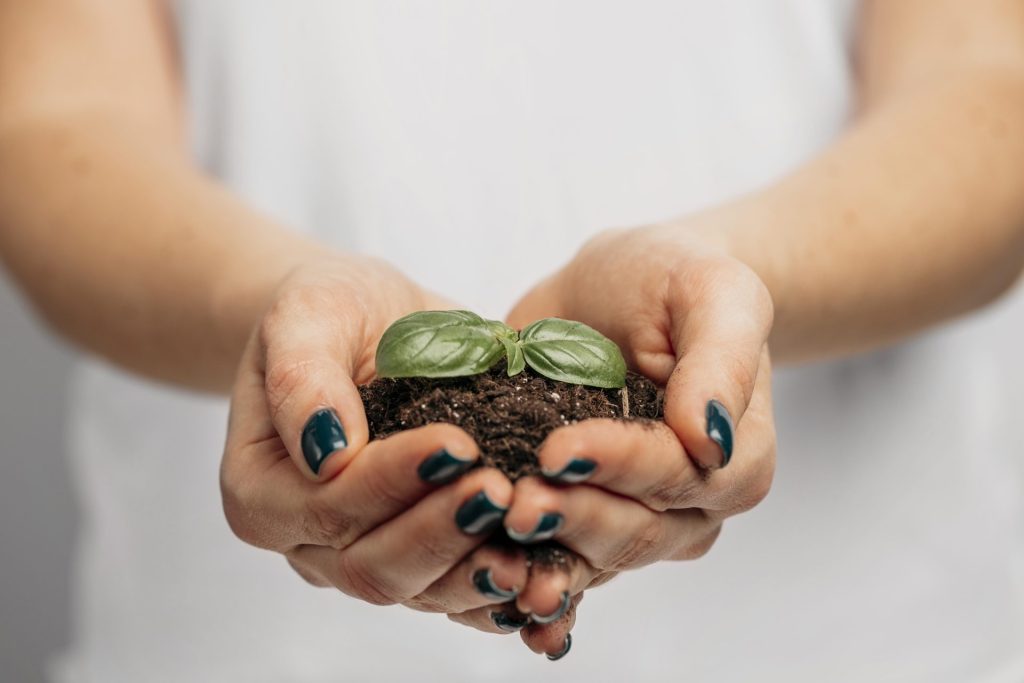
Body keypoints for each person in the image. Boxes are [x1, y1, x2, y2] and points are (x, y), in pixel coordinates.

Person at [1, 0, 1022, 680]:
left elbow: (988, 91)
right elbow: (54, 125)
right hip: (243, 644)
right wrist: (276, 313)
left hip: (867, 629)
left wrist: (733, 278)